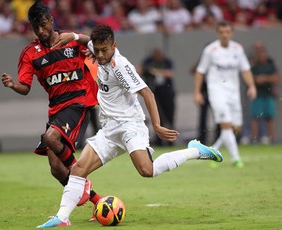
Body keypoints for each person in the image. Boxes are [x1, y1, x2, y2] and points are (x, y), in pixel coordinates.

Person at [36, 24, 223, 228]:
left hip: (129, 125)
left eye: (103, 50)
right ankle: (62, 217)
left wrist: (157, 126)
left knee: (146, 170)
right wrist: (72, 35)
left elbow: (148, 94)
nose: (99, 54)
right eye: (96, 50)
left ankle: (194, 151)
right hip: (108, 129)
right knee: (78, 169)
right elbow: (84, 39)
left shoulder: (121, 67)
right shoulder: (98, 47)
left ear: (114, 45)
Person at [1, 0, 101, 220]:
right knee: (56, 168)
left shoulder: (70, 40)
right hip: (56, 109)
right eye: (35, 27)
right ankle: (98, 201)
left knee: (51, 137)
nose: (40, 31)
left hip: (79, 102)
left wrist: (79, 38)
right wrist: (13, 85)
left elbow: (100, 45)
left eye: (44, 24)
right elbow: (25, 87)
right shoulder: (30, 53)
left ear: (51, 20)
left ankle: (81, 181)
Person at [194, 21, 257, 168]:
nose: (224, 35)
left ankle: (212, 151)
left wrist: (251, 86)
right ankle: (236, 158)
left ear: (232, 33)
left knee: (235, 127)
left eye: (227, 32)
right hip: (217, 92)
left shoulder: (237, 49)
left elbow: (245, 69)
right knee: (226, 125)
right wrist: (197, 92)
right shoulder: (211, 50)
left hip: (233, 93)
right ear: (218, 33)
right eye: (222, 32)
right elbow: (200, 71)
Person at [141, 48, 176, 146]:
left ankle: (171, 140)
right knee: (158, 117)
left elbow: (169, 73)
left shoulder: (167, 62)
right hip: (155, 92)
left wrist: (155, 71)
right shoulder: (148, 61)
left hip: (167, 92)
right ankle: (159, 140)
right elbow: (141, 70)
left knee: (170, 116)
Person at [250, 46, 280, 144]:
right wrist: (257, 80)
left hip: (268, 95)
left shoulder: (270, 65)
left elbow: (277, 78)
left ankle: (272, 139)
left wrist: (264, 78)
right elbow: (250, 79)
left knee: (270, 118)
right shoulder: (254, 67)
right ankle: (254, 139)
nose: (262, 56)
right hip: (258, 95)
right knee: (256, 118)